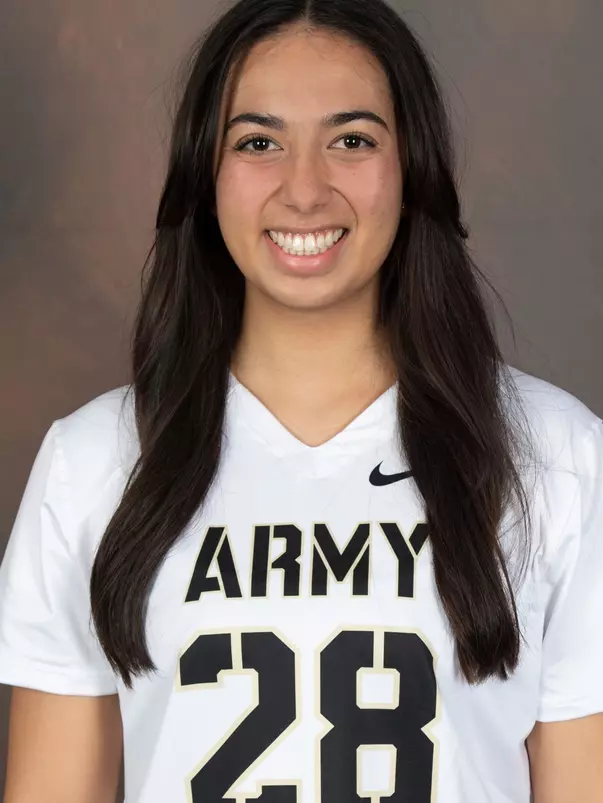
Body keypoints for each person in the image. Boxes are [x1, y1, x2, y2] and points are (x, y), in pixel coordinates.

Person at [1, 0, 603, 800]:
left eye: (351, 140)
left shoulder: (555, 454)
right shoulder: (94, 462)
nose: (305, 189)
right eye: (257, 142)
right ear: (202, 172)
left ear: (412, 164)